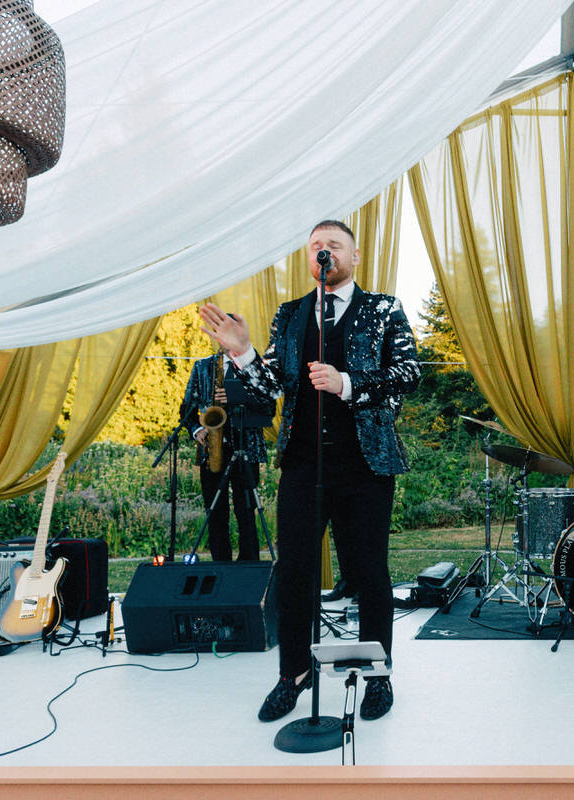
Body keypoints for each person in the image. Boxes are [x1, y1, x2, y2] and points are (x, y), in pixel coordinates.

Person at [199, 220, 419, 724]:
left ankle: (377, 675)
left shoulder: (383, 308)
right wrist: (242, 351)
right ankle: (293, 675)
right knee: (294, 573)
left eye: (333, 246)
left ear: (354, 256)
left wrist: (346, 383)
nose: (324, 252)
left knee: (368, 573)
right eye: (316, 246)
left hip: (365, 465)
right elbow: (270, 385)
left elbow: (408, 374)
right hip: (303, 464)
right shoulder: (292, 314)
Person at [179, 344, 273, 562]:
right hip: (212, 448)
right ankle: (220, 562)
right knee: (215, 511)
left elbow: (269, 406)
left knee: (246, 509)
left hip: (245, 448)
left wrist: (238, 395)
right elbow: (187, 409)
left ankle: (249, 562)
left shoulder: (255, 366)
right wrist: (197, 429)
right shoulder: (202, 367)